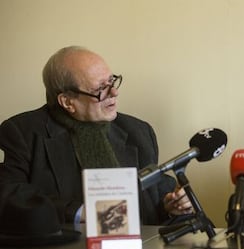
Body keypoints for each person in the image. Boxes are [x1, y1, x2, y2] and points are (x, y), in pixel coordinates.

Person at [0, 46, 192, 228]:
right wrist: (79, 213)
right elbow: (9, 197)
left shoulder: (138, 132)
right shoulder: (22, 132)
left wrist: (171, 207)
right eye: (100, 88)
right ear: (67, 101)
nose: (114, 92)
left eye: (112, 80)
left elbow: (153, 203)